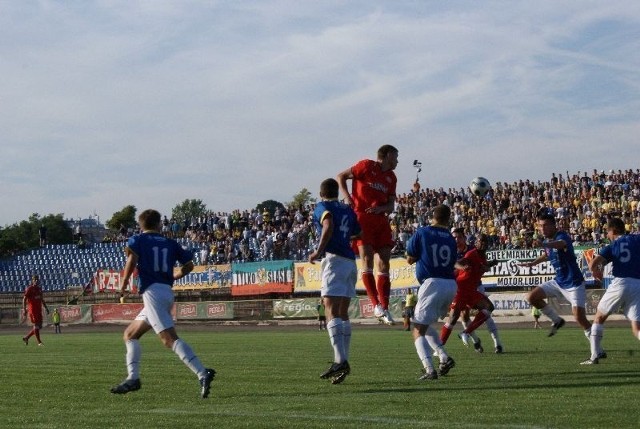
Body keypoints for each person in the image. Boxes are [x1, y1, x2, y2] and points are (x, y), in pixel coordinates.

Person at [110, 209, 216, 398]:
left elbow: (132, 260)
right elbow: (189, 265)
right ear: (159, 224)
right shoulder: (170, 242)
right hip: (165, 292)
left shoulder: (138, 240)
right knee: (130, 335)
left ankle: (202, 372)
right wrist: (174, 275)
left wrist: (123, 285)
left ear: (141, 224)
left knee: (169, 339)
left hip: (152, 293)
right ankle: (133, 378)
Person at [521, 213, 605, 357]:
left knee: (579, 318)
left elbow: (561, 245)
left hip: (574, 283)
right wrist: (533, 263)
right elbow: (547, 254)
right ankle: (557, 320)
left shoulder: (562, 236)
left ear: (554, 225)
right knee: (531, 297)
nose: (542, 228)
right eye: (540, 226)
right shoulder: (549, 241)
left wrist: (544, 244)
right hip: (558, 281)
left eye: (545, 225)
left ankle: (598, 350)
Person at [337, 144, 398, 325]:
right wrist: (348, 197)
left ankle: (384, 307)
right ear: (386, 156)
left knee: (385, 262)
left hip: (380, 220)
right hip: (362, 218)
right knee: (368, 260)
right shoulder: (366, 166)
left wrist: (381, 208)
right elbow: (340, 176)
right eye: (395, 157)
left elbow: (391, 206)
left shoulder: (391, 177)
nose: (397, 161)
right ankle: (375, 305)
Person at [309, 178, 361, 385]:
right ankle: (343, 361)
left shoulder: (322, 206)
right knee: (342, 312)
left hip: (334, 259)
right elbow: (358, 232)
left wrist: (318, 251)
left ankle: (340, 361)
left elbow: (328, 223)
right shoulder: (348, 209)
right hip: (350, 260)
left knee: (329, 308)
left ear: (321, 193)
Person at [405, 205, 457, 380]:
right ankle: (444, 357)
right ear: (447, 219)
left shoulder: (423, 232)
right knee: (425, 326)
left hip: (432, 284)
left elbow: (410, 258)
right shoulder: (451, 238)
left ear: (432, 216)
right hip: (450, 284)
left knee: (417, 329)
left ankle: (429, 369)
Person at [582, 218, 640, 364]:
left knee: (599, 318)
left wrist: (596, 272)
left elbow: (593, 264)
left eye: (607, 232)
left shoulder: (612, 245)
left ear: (612, 231)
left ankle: (594, 356)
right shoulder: (637, 238)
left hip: (621, 282)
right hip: (638, 284)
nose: (607, 235)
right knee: (636, 328)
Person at [441, 233, 503, 353]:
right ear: (476, 243)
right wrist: (462, 267)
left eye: (485, 242)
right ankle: (439, 347)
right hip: (460, 290)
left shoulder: (482, 257)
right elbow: (456, 263)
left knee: (489, 307)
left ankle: (466, 333)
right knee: (453, 318)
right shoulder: (471, 254)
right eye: (481, 241)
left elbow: (480, 266)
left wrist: (491, 264)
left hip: (472, 291)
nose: (483, 243)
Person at [22, 275, 49, 346]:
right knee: (36, 325)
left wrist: (46, 308)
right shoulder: (30, 289)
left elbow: (42, 299)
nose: (36, 281)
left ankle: (26, 338)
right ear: (32, 281)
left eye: (37, 280)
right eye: (35, 280)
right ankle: (39, 342)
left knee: (39, 326)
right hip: (33, 310)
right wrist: (24, 310)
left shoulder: (39, 289)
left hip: (39, 309)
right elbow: (24, 299)